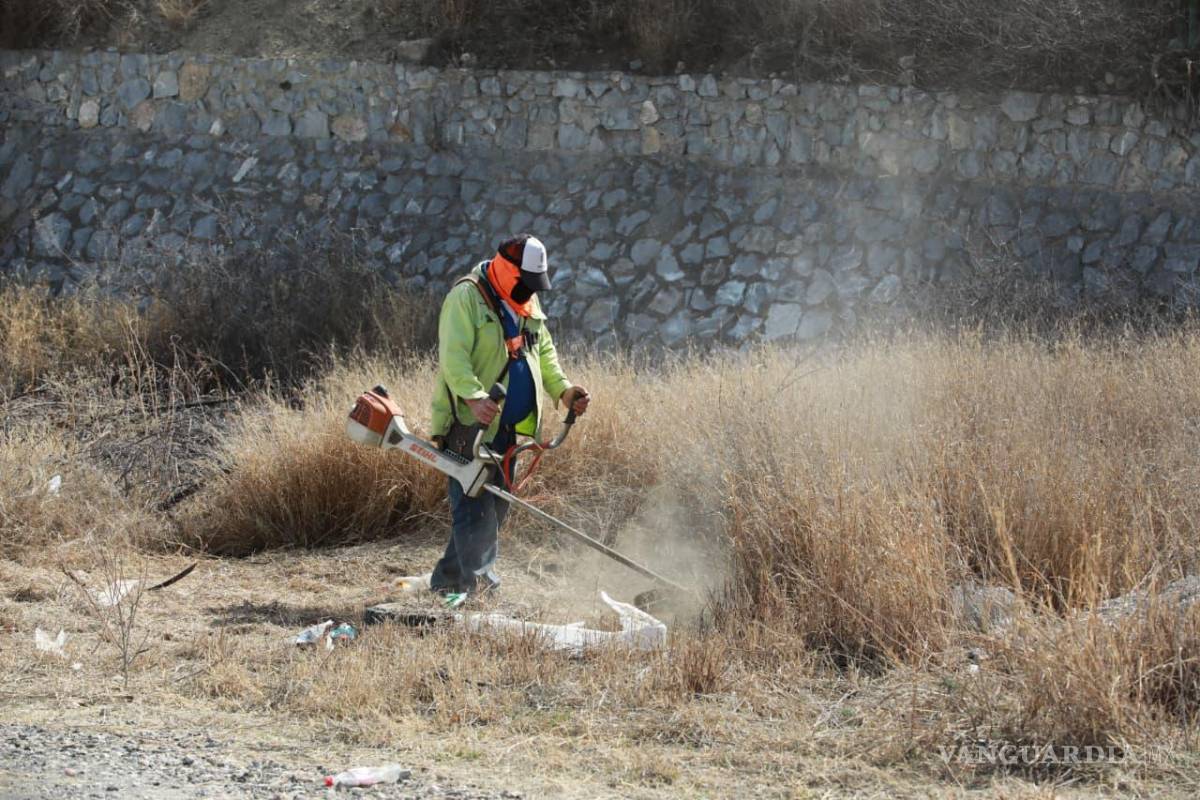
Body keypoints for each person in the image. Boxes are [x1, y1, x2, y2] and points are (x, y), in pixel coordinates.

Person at [428, 234, 590, 597]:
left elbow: (544, 355)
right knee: (474, 507)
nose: (530, 291)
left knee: (497, 507)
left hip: (506, 428)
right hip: (468, 425)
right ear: (508, 268)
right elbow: (453, 358)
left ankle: (447, 579)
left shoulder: (527, 304)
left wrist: (565, 392)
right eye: (526, 282)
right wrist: (474, 398)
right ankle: (480, 588)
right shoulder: (466, 297)